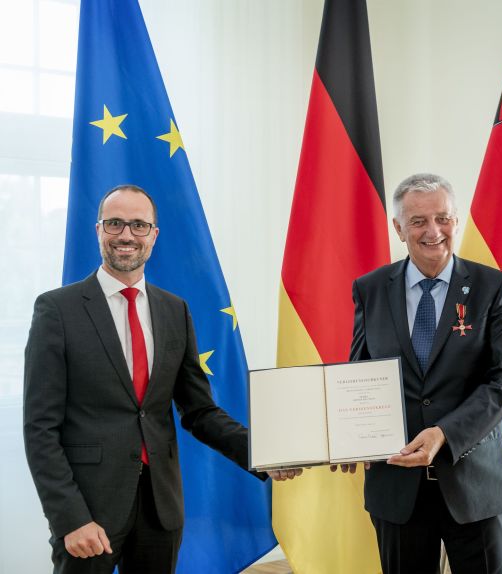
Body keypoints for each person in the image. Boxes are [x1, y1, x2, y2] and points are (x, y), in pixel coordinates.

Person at [23, 184, 300, 574]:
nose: (126, 235)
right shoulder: (57, 310)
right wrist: (69, 517)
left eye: (139, 225)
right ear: (98, 229)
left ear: (154, 235)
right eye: (115, 223)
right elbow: (40, 429)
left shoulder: (174, 311)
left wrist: (263, 455)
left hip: (160, 508)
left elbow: (200, 411)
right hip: (89, 510)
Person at [338, 173, 502, 573]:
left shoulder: (494, 287)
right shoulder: (369, 289)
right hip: (397, 487)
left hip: (476, 485)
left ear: (456, 222)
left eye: (443, 218)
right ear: (399, 228)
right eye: (418, 221)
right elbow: (359, 373)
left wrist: (445, 434)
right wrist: (345, 436)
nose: (433, 231)